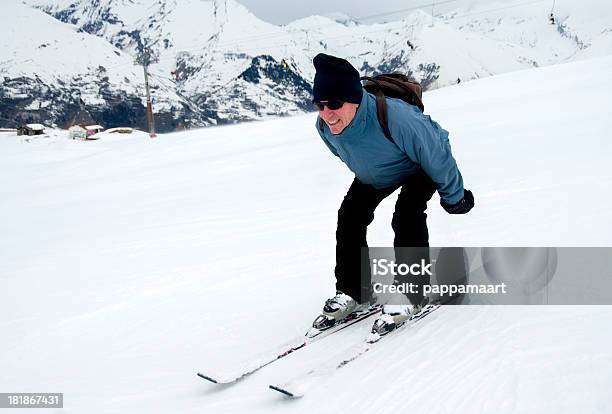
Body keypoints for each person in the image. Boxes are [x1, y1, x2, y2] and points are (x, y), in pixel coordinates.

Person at [310, 53, 474, 336]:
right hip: (379, 172)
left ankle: (413, 292)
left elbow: (436, 153)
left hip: (418, 165)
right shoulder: (325, 127)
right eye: (320, 105)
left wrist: (455, 197)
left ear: (356, 99)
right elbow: (350, 155)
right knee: (349, 216)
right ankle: (354, 292)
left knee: (407, 215)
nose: (327, 113)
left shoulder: (399, 118)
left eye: (335, 103)